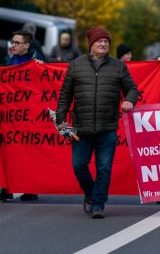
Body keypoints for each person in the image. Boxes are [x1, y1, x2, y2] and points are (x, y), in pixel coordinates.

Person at [56, 26, 139, 219]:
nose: (103, 44)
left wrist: (130, 100)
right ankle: (90, 193)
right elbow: (65, 96)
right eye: (99, 41)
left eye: (106, 42)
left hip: (107, 127)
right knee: (78, 165)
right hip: (81, 128)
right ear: (91, 44)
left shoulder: (118, 66)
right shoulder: (76, 65)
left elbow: (132, 88)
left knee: (104, 168)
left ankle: (98, 204)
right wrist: (60, 119)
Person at [0, 30, 41, 202]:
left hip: (29, 116)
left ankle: (30, 188)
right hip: (10, 116)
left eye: (17, 43)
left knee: (28, 152)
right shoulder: (9, 60)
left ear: (26, 45)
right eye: (12, 42)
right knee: (7, 151)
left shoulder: (36, 62)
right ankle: (7, 188)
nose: (13, 45)